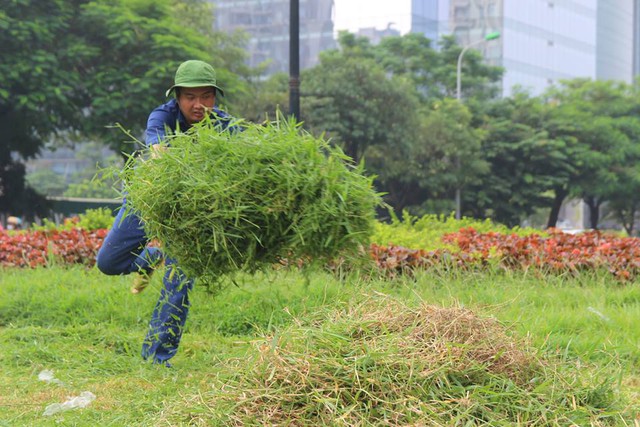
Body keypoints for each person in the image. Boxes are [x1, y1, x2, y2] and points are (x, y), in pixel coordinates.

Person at [96, 60, 235, 366]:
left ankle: (157, 357)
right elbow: (159, 155)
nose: (198, 105)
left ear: (215, 97)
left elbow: (249, 161)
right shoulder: (162, 116)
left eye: (206, 97)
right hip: (150, 199)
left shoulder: (225, 127)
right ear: (178, 97)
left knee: (178, 282)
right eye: (190, 97)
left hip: (193, 214)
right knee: (107, 262)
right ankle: (150, 257)